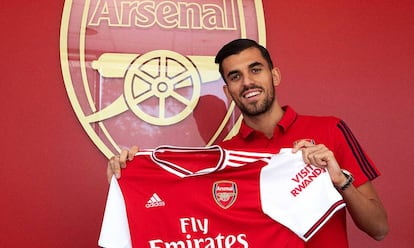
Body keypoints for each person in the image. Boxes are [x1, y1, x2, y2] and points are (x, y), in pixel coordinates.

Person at [107, 39, 388, 247]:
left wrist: (340, 180)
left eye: (256, 70)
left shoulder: (330, 130)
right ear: (228, 91)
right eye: (235, 76)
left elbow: (379, 228)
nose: (248, 82)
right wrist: (129, 177)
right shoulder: (224, 159)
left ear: (274, 75)